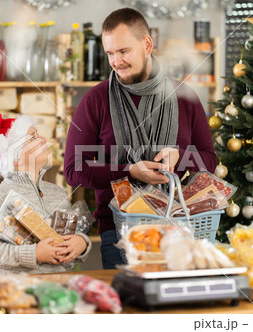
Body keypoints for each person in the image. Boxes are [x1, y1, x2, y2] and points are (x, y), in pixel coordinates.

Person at [64, 8, 217, 269]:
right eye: (110, 53)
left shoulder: (185, 97)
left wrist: (180, 157)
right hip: (119, 231)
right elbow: (73, 169)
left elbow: (209, 160)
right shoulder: (96, 100)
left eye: (123, 51)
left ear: (147, 44)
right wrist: (130, 171)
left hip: (179, 229)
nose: (116, 61)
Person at [0, 113, 91, 273]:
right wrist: (33, 254)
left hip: (58, 287)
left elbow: (69, 236)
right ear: (15, 158)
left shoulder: (57, 193)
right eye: (33, 137)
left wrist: (81, 242)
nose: (44, 139)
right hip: (19, 292)